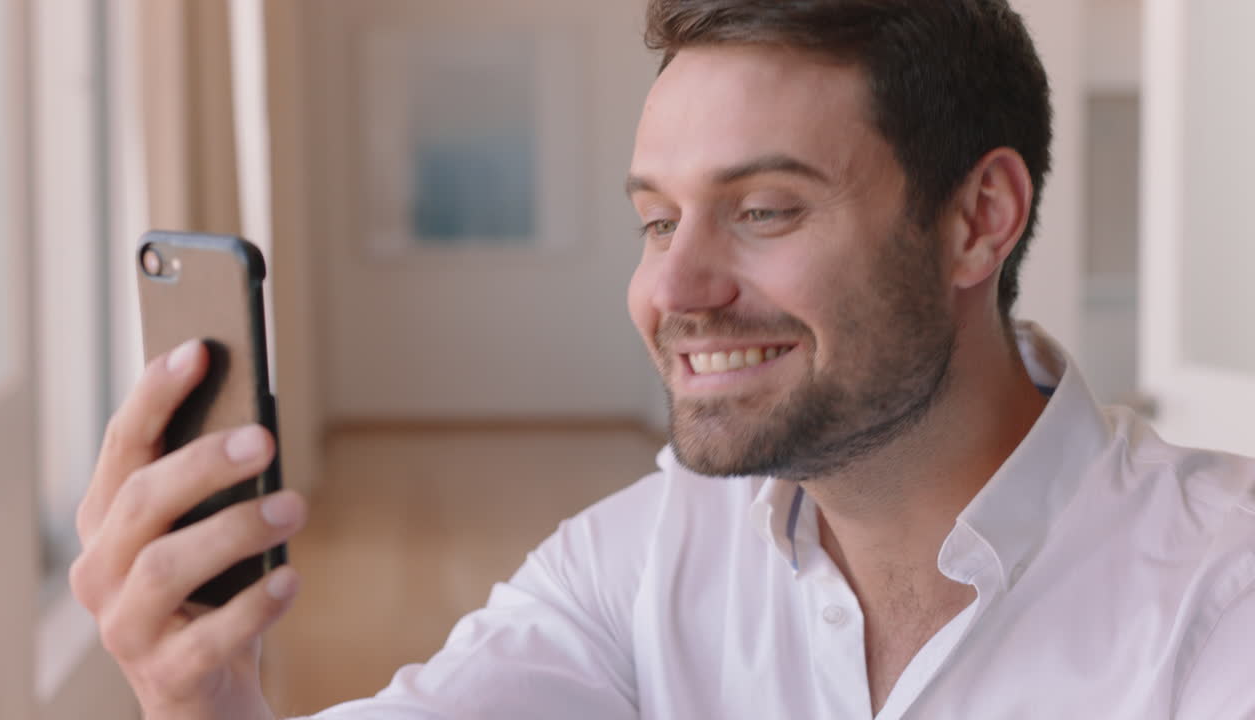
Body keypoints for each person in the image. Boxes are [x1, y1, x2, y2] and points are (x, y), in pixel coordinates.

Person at [70, 1, 1255, 718]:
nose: (670, 290)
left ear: (974, 220)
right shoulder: (637, 565)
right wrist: (199, 699)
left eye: (764, 211)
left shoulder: (1218, 597)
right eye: (654, 219)